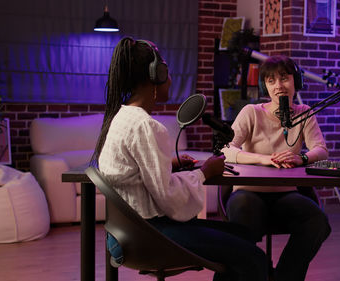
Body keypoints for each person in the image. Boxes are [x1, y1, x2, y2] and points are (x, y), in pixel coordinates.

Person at [91, 37, 268, 281]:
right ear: (157, 75)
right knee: (253, 258)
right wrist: (204, 171)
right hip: (152, 234)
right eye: (168, 72)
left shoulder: (121, 118)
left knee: (242, 235)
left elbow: (132, 172)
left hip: (127, 233)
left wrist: (168, 164)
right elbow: (168, 197)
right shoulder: (146, 126)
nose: (171, 79)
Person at [221, 55, 332, 281]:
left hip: (285, 194)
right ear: (265, 86)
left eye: (284, 78)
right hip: (248, 192)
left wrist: (301, 158)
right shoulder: (251, 112)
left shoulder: (304, 113)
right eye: (271, 80)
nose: (278, 86)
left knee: (318, 222)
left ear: (295, 81)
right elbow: (225, 149)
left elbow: (321, 149)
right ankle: (256, 273)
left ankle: (283, 277)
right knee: (244, 215)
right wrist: (263, 159)